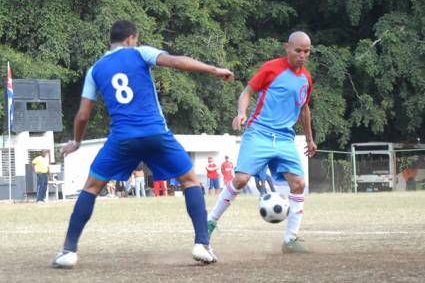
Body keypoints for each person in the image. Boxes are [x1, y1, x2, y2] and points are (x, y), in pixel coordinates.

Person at [52, 19, 234, 268]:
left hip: (121, 138)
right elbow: (176, 62)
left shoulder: (95, 69)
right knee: (190, 181)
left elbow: (83, 114)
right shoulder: (140, 53)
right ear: (131, 38)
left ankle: (68, 252)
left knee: (91, 187)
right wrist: (213, 69)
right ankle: (202, 244)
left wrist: (77, 141)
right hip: (155, 134)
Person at [207, 31, 317, 254]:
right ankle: (209, 223)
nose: (302, 55)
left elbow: (304, 108)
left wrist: (310, 138)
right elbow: (247, 91)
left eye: (306, 51)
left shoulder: (306, 78)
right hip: (259, 132)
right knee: (240, 179)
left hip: (285, 138)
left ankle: (290, 240)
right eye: (298, 50)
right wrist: (241, 113)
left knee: (299, 184)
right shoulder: (271, 68)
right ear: (287, 47)